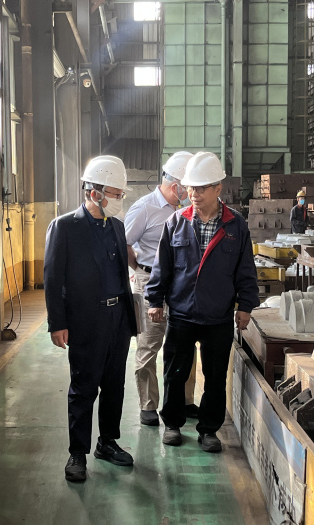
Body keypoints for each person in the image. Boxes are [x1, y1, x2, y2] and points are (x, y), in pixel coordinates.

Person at [146, 151, 260, 453]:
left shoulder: (236, 226)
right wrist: (155, 300)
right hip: (181, 314)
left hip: (217, 316)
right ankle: (172, 424)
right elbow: (162, 266)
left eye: (200, 188)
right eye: (190, 188)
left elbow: (245, 270)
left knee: (215, 376)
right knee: (174, 372)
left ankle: (209, 430)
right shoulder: (176, 222)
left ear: (217, 188)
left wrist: (246, 306)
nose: (193, 194)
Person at [44, 155, 138, 483]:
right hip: (86, 319)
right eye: (115, 193)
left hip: (118, 318)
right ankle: (77, 452)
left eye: (121, 194)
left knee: (114, 384)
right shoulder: (65, 227)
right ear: (94, 192)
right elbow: (52, 278)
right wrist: (57, 323)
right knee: (84, 387)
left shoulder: (117, 226)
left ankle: (107, 442)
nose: (119, 200)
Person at [125, 151, 199, 427]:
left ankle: (185, 401)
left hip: (180, 284)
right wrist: (141, 270)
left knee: (184, 344)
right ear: (175, 185)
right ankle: (148, 405)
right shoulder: (144, 208)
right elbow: (125, 243)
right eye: (187, 187)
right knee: (148, 345)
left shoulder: (189, 211)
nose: (191, 193)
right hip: (149, 281)